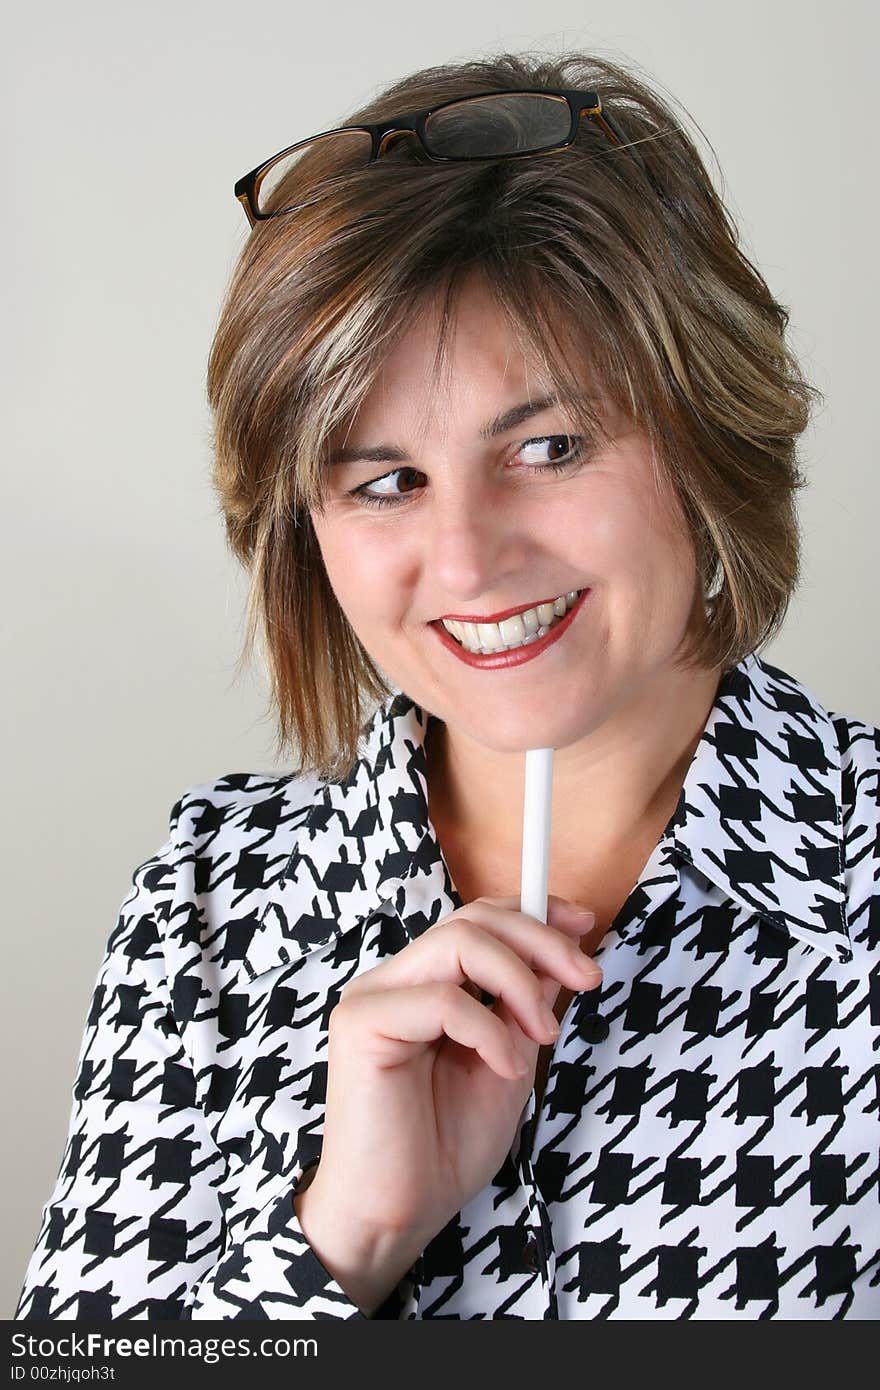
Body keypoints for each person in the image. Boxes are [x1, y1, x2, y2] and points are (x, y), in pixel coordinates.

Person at [15, 49, 878, 1322]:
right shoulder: (209, 904)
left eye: (547, 445)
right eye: (384, 480)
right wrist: (342, 1238)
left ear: (705, 430)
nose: (468, 559)